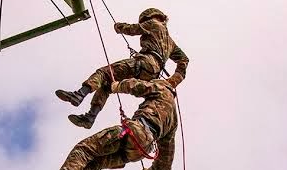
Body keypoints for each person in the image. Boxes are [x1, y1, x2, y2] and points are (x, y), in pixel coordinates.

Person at [32, 75, 181, 170]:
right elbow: (165, 166)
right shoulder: (173, 121)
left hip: (134, 131)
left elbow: (137, 86)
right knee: (94, 164)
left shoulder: (161, 88)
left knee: (85, 150)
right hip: (139, 151)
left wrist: (114, 86)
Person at [55, 8, 188, 129]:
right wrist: (172, 81)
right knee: (107, 85)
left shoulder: (154, 24)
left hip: (144, 62)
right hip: (152, 74)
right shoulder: (170, 42)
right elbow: (184, 60)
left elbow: (134, 29)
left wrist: (119, 27)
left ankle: (79, 94)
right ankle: (90, 117)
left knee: (104, 73)